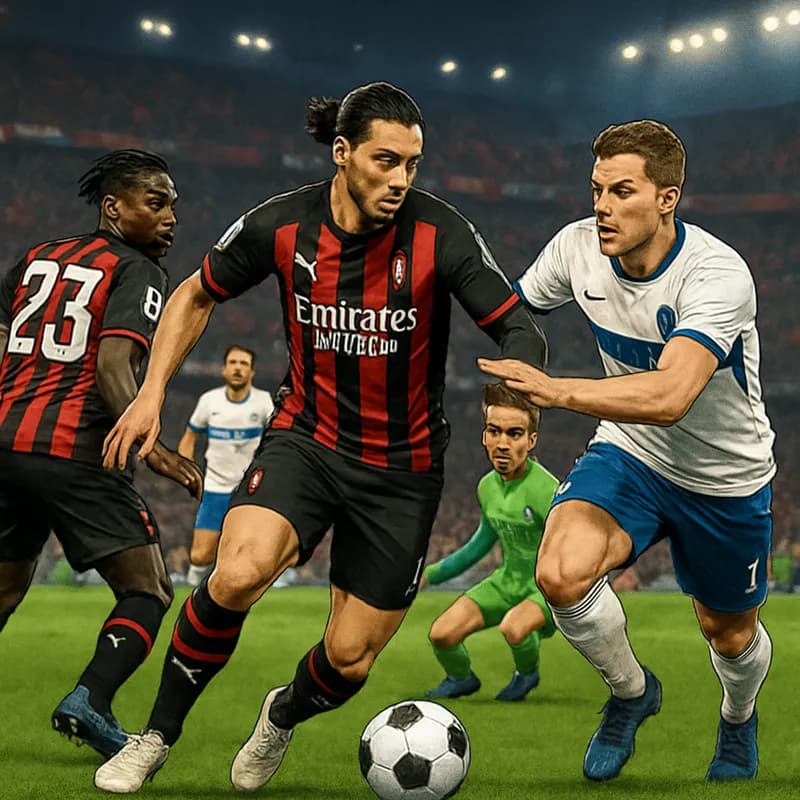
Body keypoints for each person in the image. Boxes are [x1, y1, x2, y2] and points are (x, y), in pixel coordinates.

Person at [94, 81, 548, 794]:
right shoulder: (282, 225)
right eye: (384, 160)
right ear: (342, 153)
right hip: (307, 439)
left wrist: (526, 369)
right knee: (236, 573)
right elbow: (195, 292)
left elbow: (516, 320)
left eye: (413, 165)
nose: (401, 180)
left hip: (403, 470)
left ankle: (280, 714)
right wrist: (151, 392)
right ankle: (155, 736)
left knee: (350, 659)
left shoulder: (440, 233)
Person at [480, 120, 774, 782]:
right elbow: (516, 313)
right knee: (559, 573)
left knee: (726, 634)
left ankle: (736, 718)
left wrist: (554, 391)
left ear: (667, 199)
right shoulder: (575, 249)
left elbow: (672, 395)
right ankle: (631, 693)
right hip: (632, 454)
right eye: (596, 190)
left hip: (724, 477)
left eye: (622, 191)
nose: (603, 207)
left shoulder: (717, 275)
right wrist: (515, 367)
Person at [0, 150, 202, 757]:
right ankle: (91, 698)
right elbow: (115, 364)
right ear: (113, 207)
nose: (171, 217)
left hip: (6, 444)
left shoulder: (36, 257)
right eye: (156, 202)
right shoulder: (136, 269)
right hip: (74, 450)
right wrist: (155, 446)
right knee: (149, 590)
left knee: (4, 591)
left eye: (173, 205)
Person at [424, 382, 558, 702]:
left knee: (514, 628)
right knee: (441, 634)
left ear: (531, 440)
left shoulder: (548, 491)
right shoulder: (487, 487)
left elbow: (571, 551)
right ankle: (460, 678)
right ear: (484, 436)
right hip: (505, 582)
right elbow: (479, 544)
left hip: (546, 590)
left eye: (514, 434)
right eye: (494, 431)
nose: (502, 443)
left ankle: (526, 675)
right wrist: (428, 576)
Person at [178, 345, 273, 587]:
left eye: (243, 364)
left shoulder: (264, 402)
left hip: (249, 490)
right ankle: (192, 591)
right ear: (223, 369)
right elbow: (189, 438)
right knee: (200, 556)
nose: (238, 368)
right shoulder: (209, 401)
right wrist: (188, 473)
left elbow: (276, 441)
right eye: (233, 363)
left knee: (248, 553)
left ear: (252, 372)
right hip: (215, 488)